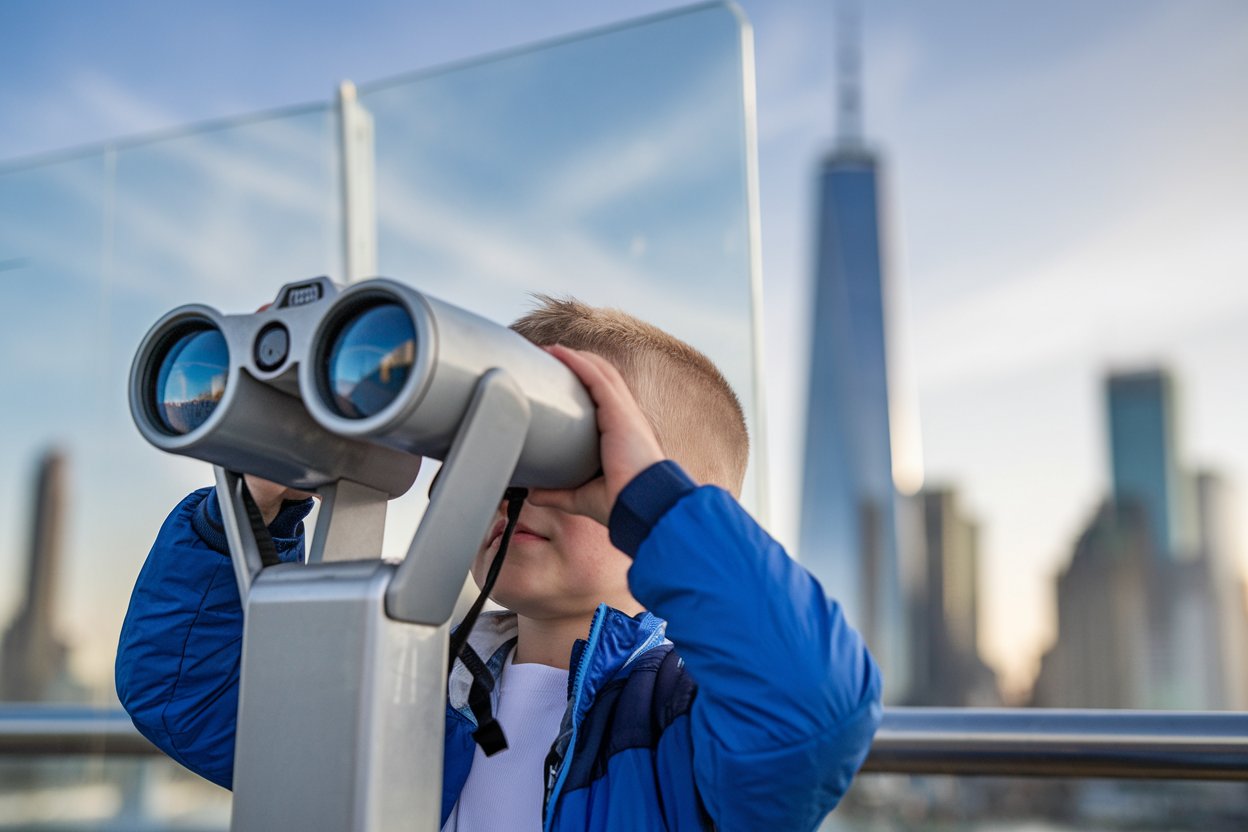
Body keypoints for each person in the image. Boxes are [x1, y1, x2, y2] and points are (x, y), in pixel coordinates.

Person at [116, 296, 882, 831]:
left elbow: (813, 709)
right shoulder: (413, 687)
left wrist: (654, 508)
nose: (518, 489)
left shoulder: (680, 725)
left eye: (567, 454)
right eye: (488, 446)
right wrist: (260, 500)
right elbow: (184, 691)